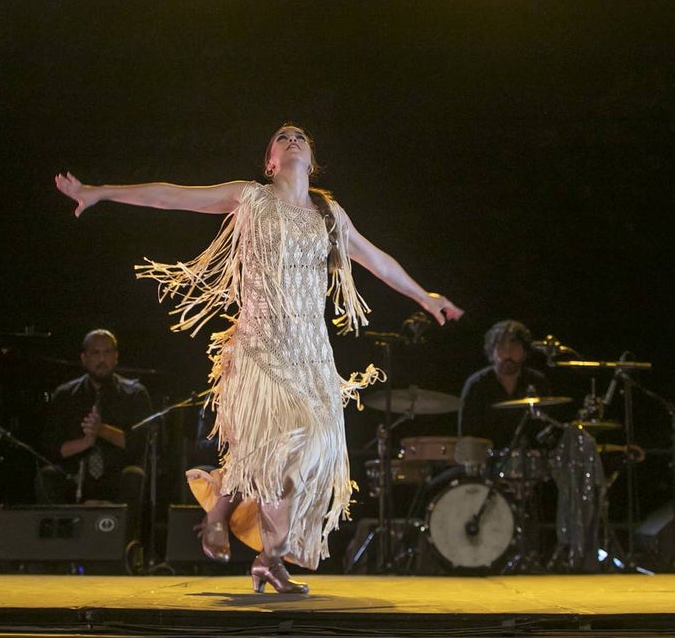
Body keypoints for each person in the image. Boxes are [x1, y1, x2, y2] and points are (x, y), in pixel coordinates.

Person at [54, 122, 462, 593]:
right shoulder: (251, 197)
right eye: (281, 138)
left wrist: (424, 297)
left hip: (310, 355)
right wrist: (98, 192)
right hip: (260, 346)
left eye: (301, 138)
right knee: (280, 446)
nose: (292, 140)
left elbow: (379, 261)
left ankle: (265, 552)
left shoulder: (330, 215)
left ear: (312, 160)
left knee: (302, 459)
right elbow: (170, 196)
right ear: (270, 161)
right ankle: (234, 526)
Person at [36, 329, 152, 542]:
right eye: (95, 353)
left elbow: (137, 443)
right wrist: (85, 442)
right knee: (47, 477)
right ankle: (59, 551)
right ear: (84, 358)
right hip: (77, 476)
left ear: (116, 357)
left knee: (135, 476)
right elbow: (52, 447)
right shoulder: (65, 395)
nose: (102, 359)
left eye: (107, 353)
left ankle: (125, 548)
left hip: (115, 475)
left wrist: (101, 430)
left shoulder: (134, 393)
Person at [457, 319, 554, 450]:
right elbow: (468, 435)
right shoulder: (477, 384)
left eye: (514, 347)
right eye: (501, 347)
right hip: (487, 461)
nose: (508, 354)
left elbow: (545, 429)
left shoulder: (536, 381)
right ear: (491, 352)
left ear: (525, 352)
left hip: (527, 460)